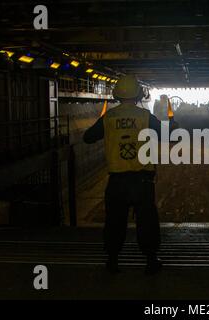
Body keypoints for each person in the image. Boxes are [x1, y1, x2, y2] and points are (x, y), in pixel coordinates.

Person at [83, 74, 176, 274]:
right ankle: (151, 260)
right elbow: (169, 135)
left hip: (117, 180)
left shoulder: (108, 118)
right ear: (139, 95)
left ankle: (113, 260)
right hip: (142, 179)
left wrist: (106, 124)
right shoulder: (145, 117)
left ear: (117, 95)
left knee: (115, 221)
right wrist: (172, 121)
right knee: (147, 220)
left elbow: (88, 138)